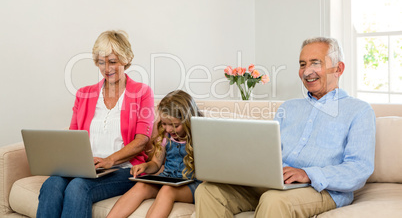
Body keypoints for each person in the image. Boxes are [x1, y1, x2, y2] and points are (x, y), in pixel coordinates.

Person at [195, 37, 376, 217]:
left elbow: (359, 169)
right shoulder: (288, 108)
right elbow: (268, 153)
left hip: (321, 190)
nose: (307, 72)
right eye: (302, 64)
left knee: (274, 200)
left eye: (315, 63)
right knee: (208, 191)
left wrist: (308, 173)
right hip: (275, 183)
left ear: (338, 69)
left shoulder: (359, 110)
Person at [36, 30, 155, 218]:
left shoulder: (142, 92)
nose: (107, 68)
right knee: (51, 184)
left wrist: (110, 160)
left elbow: (142, 140)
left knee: (78, 187)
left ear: (125, 59)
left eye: (113, 61)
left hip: (123, 169)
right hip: (87, 168)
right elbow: (72, 136)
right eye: (101, 62)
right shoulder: (84, 94)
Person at [107, 90, 203, 218]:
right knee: (141, 185)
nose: (168, 129)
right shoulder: (165, 135)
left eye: (174, 125)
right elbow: (156, 163)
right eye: (164, 124)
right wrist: (146, 167)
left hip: (191, 184)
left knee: (167, 191)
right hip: (167, 178)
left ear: (187, 119)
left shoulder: (200, 135)